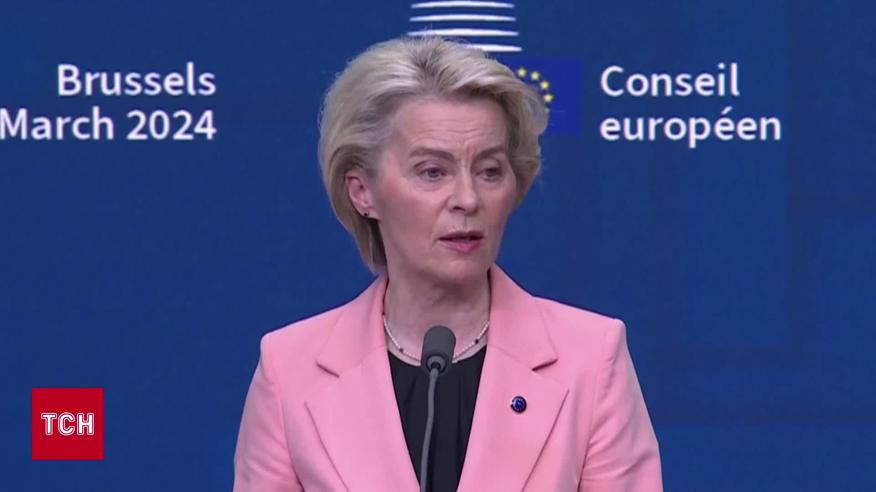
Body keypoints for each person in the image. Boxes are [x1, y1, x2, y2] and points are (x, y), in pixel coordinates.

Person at [233, 36, 662, 492]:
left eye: (489, 171)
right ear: (362, 192)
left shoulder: (591, 358)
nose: (467, 199)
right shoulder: (289, 369)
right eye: (432, 172)